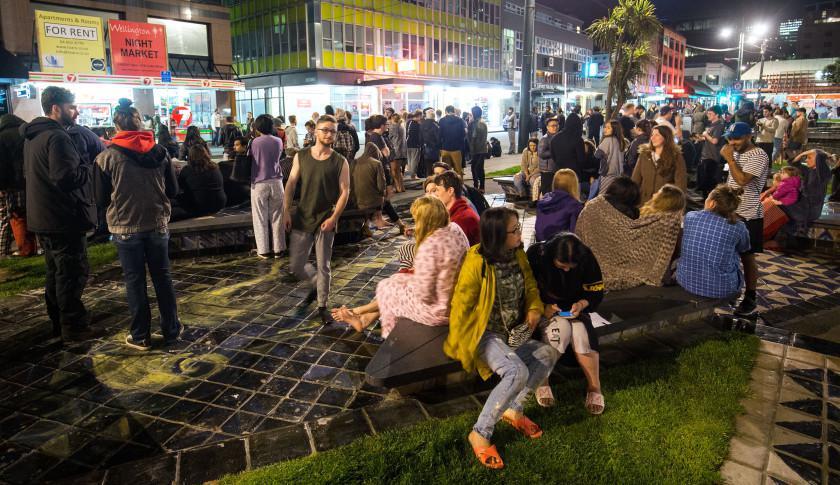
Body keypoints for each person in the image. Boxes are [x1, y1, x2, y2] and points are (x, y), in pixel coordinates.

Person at [444, 207, 560, 470]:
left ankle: (513, 410)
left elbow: (530, 286)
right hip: (484, 334)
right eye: (514, 230)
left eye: (518, 228)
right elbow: (461, 305)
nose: (520, 234)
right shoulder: (477, 261)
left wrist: (534, 308)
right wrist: (462, 344)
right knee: (516, 371)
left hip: (512, 332)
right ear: (497, 235)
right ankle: (480, 432)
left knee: (547, 354)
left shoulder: (517, 254)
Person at [93, 98, 181, 350]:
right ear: (140, 123)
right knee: (163, 277)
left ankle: (140, 335)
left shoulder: (105, 158)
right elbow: (173, 190)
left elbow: (100, 199)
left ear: (116, 126)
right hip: (157, 223)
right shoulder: (161, 152)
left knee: (135, 281)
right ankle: (171, 330)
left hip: (125, 227)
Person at [331, 196, 468, 334]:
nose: (416, 222)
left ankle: (359, 312)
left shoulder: (429, 246)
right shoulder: (454, 228)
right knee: (396, 282)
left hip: (438, 311)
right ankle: (364, 318)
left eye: (417, 219)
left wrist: (409, 281)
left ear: (424, 221)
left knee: (388, 287)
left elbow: (424, 295)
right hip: (455, 297)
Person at [22, 86, 96, 340]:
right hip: (63, 217)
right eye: (71, 107)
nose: (76, 112)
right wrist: (88, 167)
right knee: (71, 273)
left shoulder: (33, 136)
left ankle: (58, 322)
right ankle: (74, 327)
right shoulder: (57, 137)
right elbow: (65, 177)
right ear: (56, 108)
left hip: (44, 216)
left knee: (56, 273)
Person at [283, 115, 350, 324]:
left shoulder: (340, 161)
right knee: (296, 265)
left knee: (324, 266)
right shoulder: (301, 156)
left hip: (326, 218)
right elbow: (291, 183)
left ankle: (322, 305)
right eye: (325, 130)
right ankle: (315, 282)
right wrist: (286, 210)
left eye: (333, 131)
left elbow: (345, 191)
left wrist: (334, 218)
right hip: (303, 216)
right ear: (316, 131)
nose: (329, 134)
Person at [527, 233, 604, 413]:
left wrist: (582, 304)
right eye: (562, 266)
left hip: (575, 309)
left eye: (571, 266)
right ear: (551, 255)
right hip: (544, 309)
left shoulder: (586, 257)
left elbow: (596, 291)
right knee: (559, 331)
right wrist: (542, 307)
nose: (567, 270)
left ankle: (595, 386)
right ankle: (542, 380)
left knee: (581, 332)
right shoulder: (536, 255)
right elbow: (526, 290)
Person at [576, 177, 683, 290]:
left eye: (657, 193)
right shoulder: (636, 216)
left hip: (587, 263)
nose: (654, 194)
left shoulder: (592, 205)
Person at [720, 122, 769, 316]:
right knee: (728, 252)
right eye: (730, 139)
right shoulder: (736, 153)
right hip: (731, 210)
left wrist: (730, 159)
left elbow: (742, 180)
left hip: (748, 213)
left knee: (747, 257)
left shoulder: (758, 155)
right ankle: (730, 289)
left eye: (737, 139)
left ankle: (750, 296)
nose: (732, 142)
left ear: (749, 136)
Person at [677, 184, 750, 299]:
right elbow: (745, 250)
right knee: (745, 256)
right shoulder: (739, 227)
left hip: (685, 281)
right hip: (722, 288)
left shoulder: (690, 217)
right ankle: (750, 295)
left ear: (712, 203)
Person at [248, 114, 287, 259]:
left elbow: (250, 158)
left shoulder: (255, 142)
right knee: (278, 216)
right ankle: (279, 249)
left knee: (260, 217)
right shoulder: (278, 141)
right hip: (277, 182)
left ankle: (263, 250)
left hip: (259, 182)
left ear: (258, 127)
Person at [0, 114, 36, 257]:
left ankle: (17, 250)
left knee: (14, 216)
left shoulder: (2, 137)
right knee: (31, 214)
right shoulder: (26, 134)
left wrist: (2, 186)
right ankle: (35, 247)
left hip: (13, 184)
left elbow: (2, 165)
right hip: (30, 181)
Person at [630, 124, 687, 204]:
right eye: (652, 135)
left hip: (664, 204)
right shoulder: (644, 155)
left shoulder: (676, 157)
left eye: (657, 135)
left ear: (666, 137)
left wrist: (675, 205)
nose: (652, 138)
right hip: (643, 203)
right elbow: (635, 179)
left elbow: (680, 185)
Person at [171, 145, 227, 221]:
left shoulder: (187, 169)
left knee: (172, 203)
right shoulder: (215, 167)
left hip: (200, 205)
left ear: (190, 156)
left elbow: (179, 188)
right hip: (220, 203)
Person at [433, 170, 480, 246]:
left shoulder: (462, 219)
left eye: (437, 190)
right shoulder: (457, 213)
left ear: (450, 191)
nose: (435, 194)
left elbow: (449, 248)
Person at [535, 169, 583, 241]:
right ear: (574, 186)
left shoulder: (543, 200)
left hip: (540, 243)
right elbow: (575, 235)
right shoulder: (574, 206)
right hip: (559, 245)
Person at [350, 142, 388, 230]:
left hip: (356, 200)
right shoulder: (377, 163)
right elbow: (381, 186)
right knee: (384, 199)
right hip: (372, 202)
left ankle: (367, 223)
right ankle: (381, 220)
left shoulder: (354, 162)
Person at [591, 120, 626, 198]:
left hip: (607, 173)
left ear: (614, 129)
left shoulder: (607, 140)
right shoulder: (620, 141)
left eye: (608, 128)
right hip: (618, 174)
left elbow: (597, 155)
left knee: (602, 196)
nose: (605, 129)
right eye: (605, 127)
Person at [697, 105, 726, 198]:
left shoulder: (719, 125)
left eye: (710, 114)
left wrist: (706, 135)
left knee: (709, 180)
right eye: (708, 113)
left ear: (717, 115)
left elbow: (714, 141)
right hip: (706, 154)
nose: (708, 115)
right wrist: (701, 138)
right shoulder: (712, 125)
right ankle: (705, 198)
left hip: (712, 156)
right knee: (704, 178)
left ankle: (709, 200)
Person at [550, 112, 585, 183]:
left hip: (559, 172)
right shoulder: (578, 139)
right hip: (573, 174)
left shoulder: (554, 138)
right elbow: (581, 160)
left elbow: (553, 156)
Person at [438, 106, 467, 176]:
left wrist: (440, 147)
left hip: (445, 148)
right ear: (453, 111)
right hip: (457, 149)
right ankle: (458, 183)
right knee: (458, 170)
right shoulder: (460, 120)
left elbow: (439, 135)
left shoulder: (442, 120)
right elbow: (463, 134)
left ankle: (448, 183)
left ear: (446, 111)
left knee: (446, 170)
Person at [468, 106, 489, 193]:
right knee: (476, 167)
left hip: (479, 149)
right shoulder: (478, 122)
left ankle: (479, 186)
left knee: (477, 168)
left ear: (474, 113)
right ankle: (478, 186)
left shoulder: (479, 123)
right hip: (479, 149)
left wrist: (472, 149)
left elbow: (473, 136)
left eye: (472, 113)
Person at [538, 117, 560, 196]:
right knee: (547, 193)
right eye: (553, 125)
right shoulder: (545, 139)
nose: (555, 127)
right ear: (547, 127)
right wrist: (555, 151)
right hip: (547, 170)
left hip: (555, 168)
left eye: (557, 125)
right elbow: (541, 153)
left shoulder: (557, 137)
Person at [386, 113, 406, 193]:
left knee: (394, 171)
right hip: (402, 151)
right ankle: (402, 187)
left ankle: (398, 187)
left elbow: (389, 139)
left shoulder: (393, 127)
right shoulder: (402, 126)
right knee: (399, 170)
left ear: (392, 119)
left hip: (394, 151)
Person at [420, 108, 441, 175]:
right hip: (435, 148)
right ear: (433, 116)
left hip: (425, 147)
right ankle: (435, 179)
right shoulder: (436, 124)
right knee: (436, 166)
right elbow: (438, 137)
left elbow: (420, 137)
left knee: (428, 167)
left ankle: (429, 179)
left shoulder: (422, 124)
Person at [405, 110, 423, 179]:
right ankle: (413, 175)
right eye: (421, 116)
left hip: (408, 144)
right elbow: (419, 136)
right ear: (419, 116)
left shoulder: (409, 122)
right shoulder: (417, 125)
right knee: (414, 161)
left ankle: (410, 175)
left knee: (410, 160)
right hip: (415, 145)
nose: (421, 118)